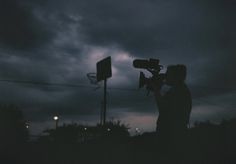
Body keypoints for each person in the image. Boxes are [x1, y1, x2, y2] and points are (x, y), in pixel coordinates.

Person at [150, 64, 192, 162]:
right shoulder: (178, 90)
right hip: (173, 135)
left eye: (168, 74)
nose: (165, 76)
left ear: (176, 77)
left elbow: (163, 108)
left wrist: (156, 89)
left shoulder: (179, 91)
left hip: (172, 137)